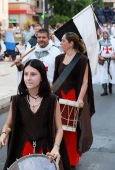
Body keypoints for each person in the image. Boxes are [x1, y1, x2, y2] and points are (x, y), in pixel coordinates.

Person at [0, 59, 71, 170]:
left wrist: (56, 147)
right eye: (26, 74)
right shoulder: (17, 100)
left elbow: (59, 129)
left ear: (42, 77)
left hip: (45, 151)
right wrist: (3, 135)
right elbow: (8, 124)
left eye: (33, 74)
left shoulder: (52, 100)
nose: (28, 78)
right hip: (22, 151)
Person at [53, 32, 95, 169]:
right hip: (58, 98)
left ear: (71, 43)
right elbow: (55, 80)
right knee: (56, 128)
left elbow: (85, 82)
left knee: (70, 131)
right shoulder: (58, 58)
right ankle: (56, 156)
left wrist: (80, 100)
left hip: (72, 98)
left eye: (63, 41)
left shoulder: (82, 60)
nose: (61, 43)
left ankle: (70, 159)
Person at [94, 30, 115, 95]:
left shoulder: (112, 41)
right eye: (104, 33)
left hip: (111, 61)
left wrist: (114, 55)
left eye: (106, 33)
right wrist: (100, 57)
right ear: (102, 34)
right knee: (103, 75)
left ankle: (110, 88)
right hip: (103, 62)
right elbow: (97, 52)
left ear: (108, 34)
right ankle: (105, 90)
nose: (105, 34)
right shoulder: (99, 42)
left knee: (111, 74)